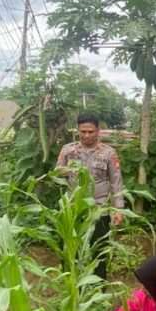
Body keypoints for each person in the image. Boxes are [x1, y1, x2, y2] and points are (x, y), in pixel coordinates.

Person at [56, 112, 124, 279]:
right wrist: (63, 172)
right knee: (69, 247)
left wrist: (118, 209)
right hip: (73, 208)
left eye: (91, 131)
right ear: (77, 130)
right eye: (83, 131)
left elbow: (116, 181)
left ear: (98, 131)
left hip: (99, 210)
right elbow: (56, 173)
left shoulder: (109, 153)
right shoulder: (68, 150)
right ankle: (71, 282)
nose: (87, 135)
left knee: (99, 249)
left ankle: (98, 286)